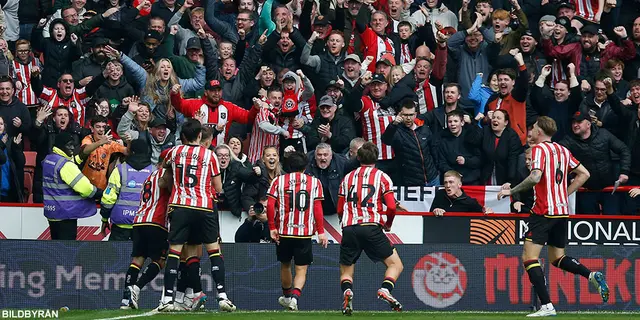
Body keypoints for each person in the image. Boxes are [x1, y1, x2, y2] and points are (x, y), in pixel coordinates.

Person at [497, 116, 609, 317]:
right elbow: (584, 174)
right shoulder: (563, 150)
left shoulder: (539, 149)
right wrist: (564, 194)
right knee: (557, 258)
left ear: (539, 131)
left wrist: (511, 191)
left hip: (543, 211)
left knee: (529, 257)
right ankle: (591, 275)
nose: (531, 132)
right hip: (561, 210)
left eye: (533, 128)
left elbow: (535, 176)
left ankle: (547, 306)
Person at [157, 119, 235, 312]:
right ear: (200, 136)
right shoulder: (209, 156)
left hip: (180, 205)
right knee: (213, 251)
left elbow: (164, 180)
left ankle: (167, 299)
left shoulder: (173, 153)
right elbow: (218, 188)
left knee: (175, 252)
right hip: (204, 207)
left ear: (183, 136)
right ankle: (222, 297)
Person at [337, 142, 403, 315]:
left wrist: (344, 223)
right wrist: (388, 224)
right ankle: (385, 289)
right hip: (370, 226)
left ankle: (347, 291)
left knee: (346, 268)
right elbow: (391, 207)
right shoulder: (382, 177)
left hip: (349, 227)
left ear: (358, 157)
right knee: (395, 264)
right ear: (377, 158)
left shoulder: (347, 178)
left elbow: (339, 208)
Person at [267, 151, 328, 311]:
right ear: (305, 166)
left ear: (288, 165)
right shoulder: (314, 182)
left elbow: (269, 205)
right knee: (301, 268)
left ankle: (287, 297)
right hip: (304, 232)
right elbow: (317, 208)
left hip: (284, 231)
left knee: (285, 265)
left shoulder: (278, 181)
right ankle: (294, 298)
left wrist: (272, 227)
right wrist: (321, 231)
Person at [121, 149, 171, 310]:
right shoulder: (168, 175)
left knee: (137, 260)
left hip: (139, 221)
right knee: (160, 260)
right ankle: (136, 288)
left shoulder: (149, 177)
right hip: (156, 222)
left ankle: (125, 301)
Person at [42, 132, 103, 240]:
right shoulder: (66, 165)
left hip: (52, 212)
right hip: (66, 214)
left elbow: (70, 162)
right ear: (61, 146)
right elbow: (86, 189)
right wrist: (101, 194)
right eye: (69, 145)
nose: (72, 147)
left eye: (73, 145)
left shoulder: (49, 159)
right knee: (66, 252)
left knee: (56, 251)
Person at [100, 139, 154, 241]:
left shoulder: (120, 170)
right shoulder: (154, 171)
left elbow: (108, 198)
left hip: (121, 224)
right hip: (145, 222)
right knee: (142, 256)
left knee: (116, 255)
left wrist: (104, 218)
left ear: (130, 152)